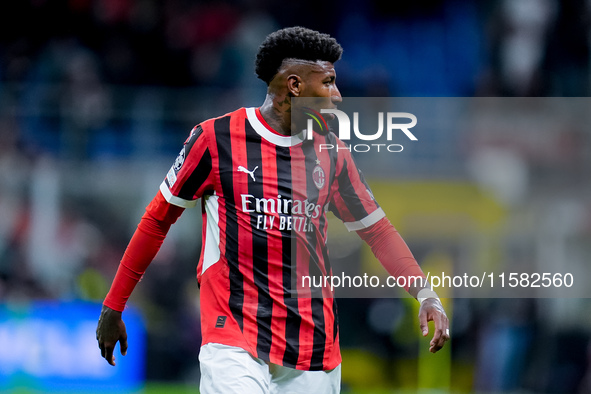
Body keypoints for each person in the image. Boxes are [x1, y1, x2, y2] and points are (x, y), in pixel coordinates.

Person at [96, 26, 450, 393]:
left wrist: (425, 294)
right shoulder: (214, 140)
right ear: (294, 86)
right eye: (328, 82)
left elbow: (377, 231)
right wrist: (114, 304)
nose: (338, 96)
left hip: (314, 348)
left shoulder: (332, 154)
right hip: (234, 337)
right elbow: (157, 219)